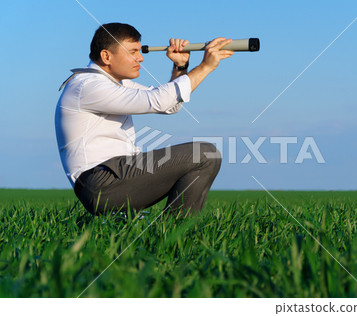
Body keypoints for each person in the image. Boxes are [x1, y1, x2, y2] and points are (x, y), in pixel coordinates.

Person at [55, 22, 234, 217]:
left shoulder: (115, 84)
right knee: (205, 154)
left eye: (140, 51)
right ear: (106, 56)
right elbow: (159, 101)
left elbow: (171, 105)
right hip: (101, 182)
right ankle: (176, 234)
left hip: (115, 175)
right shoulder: (87, 86)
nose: (140, 58)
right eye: (132, 52)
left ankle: (174, 236)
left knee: (207, 156)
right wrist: (206, 67)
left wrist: (180, 66)